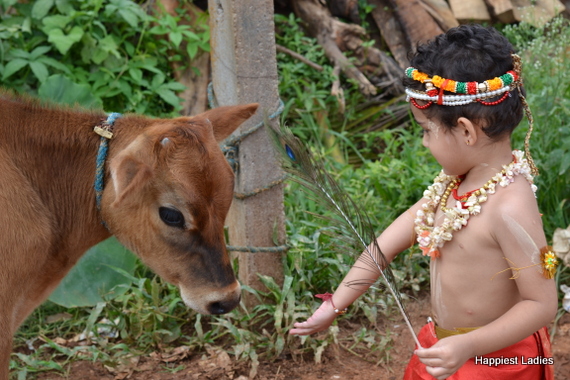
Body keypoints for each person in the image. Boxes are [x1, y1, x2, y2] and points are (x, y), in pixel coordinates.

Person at [289, 24, 558, 379]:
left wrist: (468, 346)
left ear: (465, 130)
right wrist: (335, 304)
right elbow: (384, 246)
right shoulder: (451, 186)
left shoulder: (509, 207)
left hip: (497, 361)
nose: (423, 143)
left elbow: (541, 304)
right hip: (444, 347)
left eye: (425, 130)